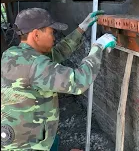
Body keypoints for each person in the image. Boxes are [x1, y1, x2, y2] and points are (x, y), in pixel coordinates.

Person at [1, 8, 117, 151]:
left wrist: (82, 28)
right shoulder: (35, 64)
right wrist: (98, 48)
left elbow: (58, 53)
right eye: (51, 32)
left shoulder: (13, 54)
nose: (54, 36)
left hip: (24, 134)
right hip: (28, 144)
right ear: (36, 34)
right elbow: (79, 81)